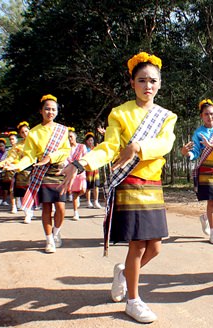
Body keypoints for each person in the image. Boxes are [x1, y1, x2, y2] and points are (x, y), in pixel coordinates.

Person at [59, 52, 177, 323]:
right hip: (129, 182)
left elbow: (165, 144)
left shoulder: (166, 116)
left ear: (160, 83)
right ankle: (133, 301)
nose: (148, 86)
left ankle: (123, 273)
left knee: (155, 247)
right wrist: (81, 164)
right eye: (142, 80)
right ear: (132, 83)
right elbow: (109, 147)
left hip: (153, 183)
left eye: (153, 81)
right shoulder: (119, 114)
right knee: (137, 244)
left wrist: (138, 146)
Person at [5, 94, 70, 253]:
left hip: (58, 170)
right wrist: (17, 165)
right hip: (42, 172)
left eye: (53, 109)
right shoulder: (34, 132)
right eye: (47, 109)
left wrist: (51, 157)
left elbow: (66, 150)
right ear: (40, 111)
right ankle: (49, 240)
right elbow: (29, 155)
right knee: (46, 207)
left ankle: (56, 232)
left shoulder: (62, 130)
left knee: (61, 207)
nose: (50, 112)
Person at [181, 99, 213, 244]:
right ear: (201, 116)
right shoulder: (199, 132)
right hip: (207, 169)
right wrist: (187, 153)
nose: (209, 117)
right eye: (206, 114)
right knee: (211, 201)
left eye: (211, 114)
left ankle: (205, 217)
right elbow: (196, 150)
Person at [67, 127, 87, 221]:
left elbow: (85, 157)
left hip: (81, 171)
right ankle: (75, 213)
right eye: (68, 137)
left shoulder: (81, 146)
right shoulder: (66, 149)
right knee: (75, 193)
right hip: (72, 172)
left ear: (75, 137)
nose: (70, 139)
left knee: (83, 190)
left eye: (71, 136)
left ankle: (78, 197)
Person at [0, 131, 19, 213]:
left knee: (21, 188)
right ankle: (14, 206)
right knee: (11, 189)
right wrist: (0, 166)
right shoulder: (8, 150)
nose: (12, 141)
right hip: (11, 171)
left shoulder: (23, 147)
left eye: (13, 139)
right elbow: (3, 160)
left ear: (17, 140)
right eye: (10, 139)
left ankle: (19, 203)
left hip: (22, 170)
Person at [84, 132, 102, 209]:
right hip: (88, 169)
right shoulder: (84, 149)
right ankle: (88, 201)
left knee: (96, 186)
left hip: (95, 169)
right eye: (89, 140)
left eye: (92, 140)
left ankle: (96, 201)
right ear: (86, 141)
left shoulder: (96, 148)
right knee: (88, 186)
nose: (90, 142)